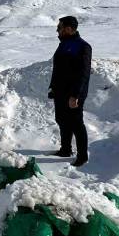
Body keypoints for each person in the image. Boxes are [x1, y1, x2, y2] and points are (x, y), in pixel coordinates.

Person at [48, 16, 92, 167]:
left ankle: (82, 156)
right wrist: (53, 87)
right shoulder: (63, 44)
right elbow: (58, 69)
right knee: (62, 120)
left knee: (76, 124)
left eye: (59, 28)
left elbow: (84, 73)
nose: (57, 31)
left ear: (68, 29)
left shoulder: (83, 46)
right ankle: (65, 149)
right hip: (60, 92)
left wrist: (76, 95)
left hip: (73, 94)